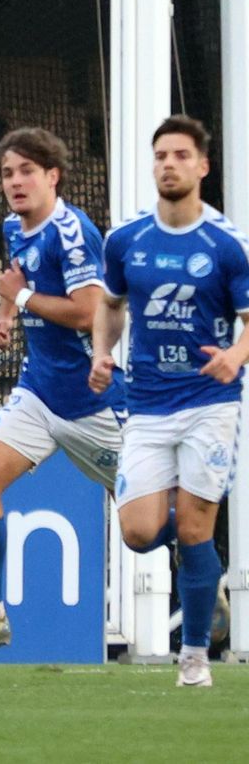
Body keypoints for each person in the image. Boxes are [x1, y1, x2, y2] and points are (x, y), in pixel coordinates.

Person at [0, 129, 127, 658]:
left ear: (53, 176)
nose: (15, 181)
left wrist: (19, 296)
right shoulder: (13, 227)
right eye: (7, 173)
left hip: (95, 402)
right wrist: (6, 316)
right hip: (38, 392)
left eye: (26, 170)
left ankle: (199, 566)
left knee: (146, 524)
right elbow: (17, 282)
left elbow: (90, 310)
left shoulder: (73, 232)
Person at [91, 115, 241, 689]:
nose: (168, 164)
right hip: (149, 404)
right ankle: (206, 565)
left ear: (202, 166)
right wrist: (102, 353)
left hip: (210, 400)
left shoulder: (226, 245)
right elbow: (110, 302)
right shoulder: (126, 239)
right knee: (137, 532)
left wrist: (236, 355)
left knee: (198, 532)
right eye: (160, 156)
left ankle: (195, 657)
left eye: (180, 155)